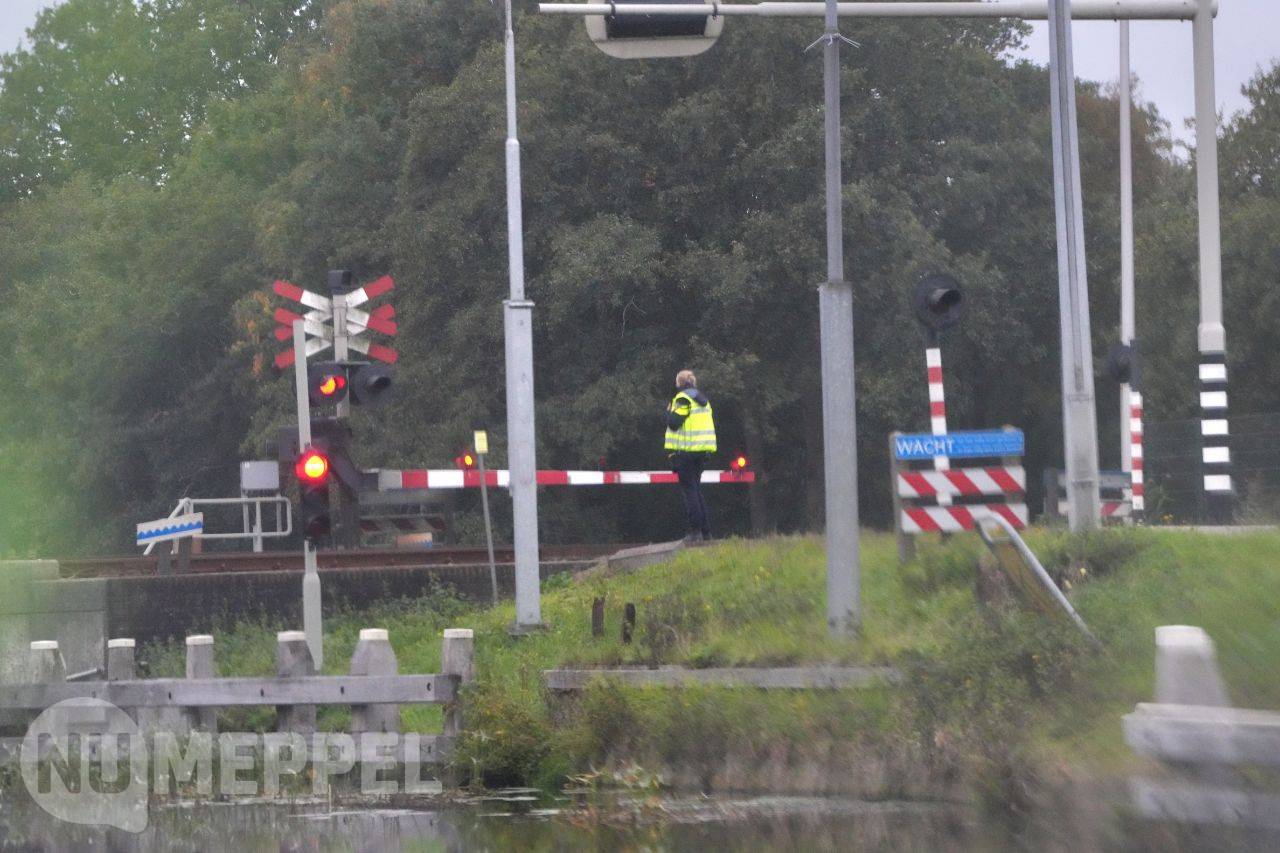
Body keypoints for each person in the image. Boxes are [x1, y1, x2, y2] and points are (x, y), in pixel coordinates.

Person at [664, 369, 717, 542]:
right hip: (702, 451)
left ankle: (695, 532)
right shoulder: (704, 401)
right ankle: (706, 532)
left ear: (679, 383)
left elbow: (673, 423)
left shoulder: (682, 399)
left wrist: (668, 411)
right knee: (696, 490)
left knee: (690, 492)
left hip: (686, 452)